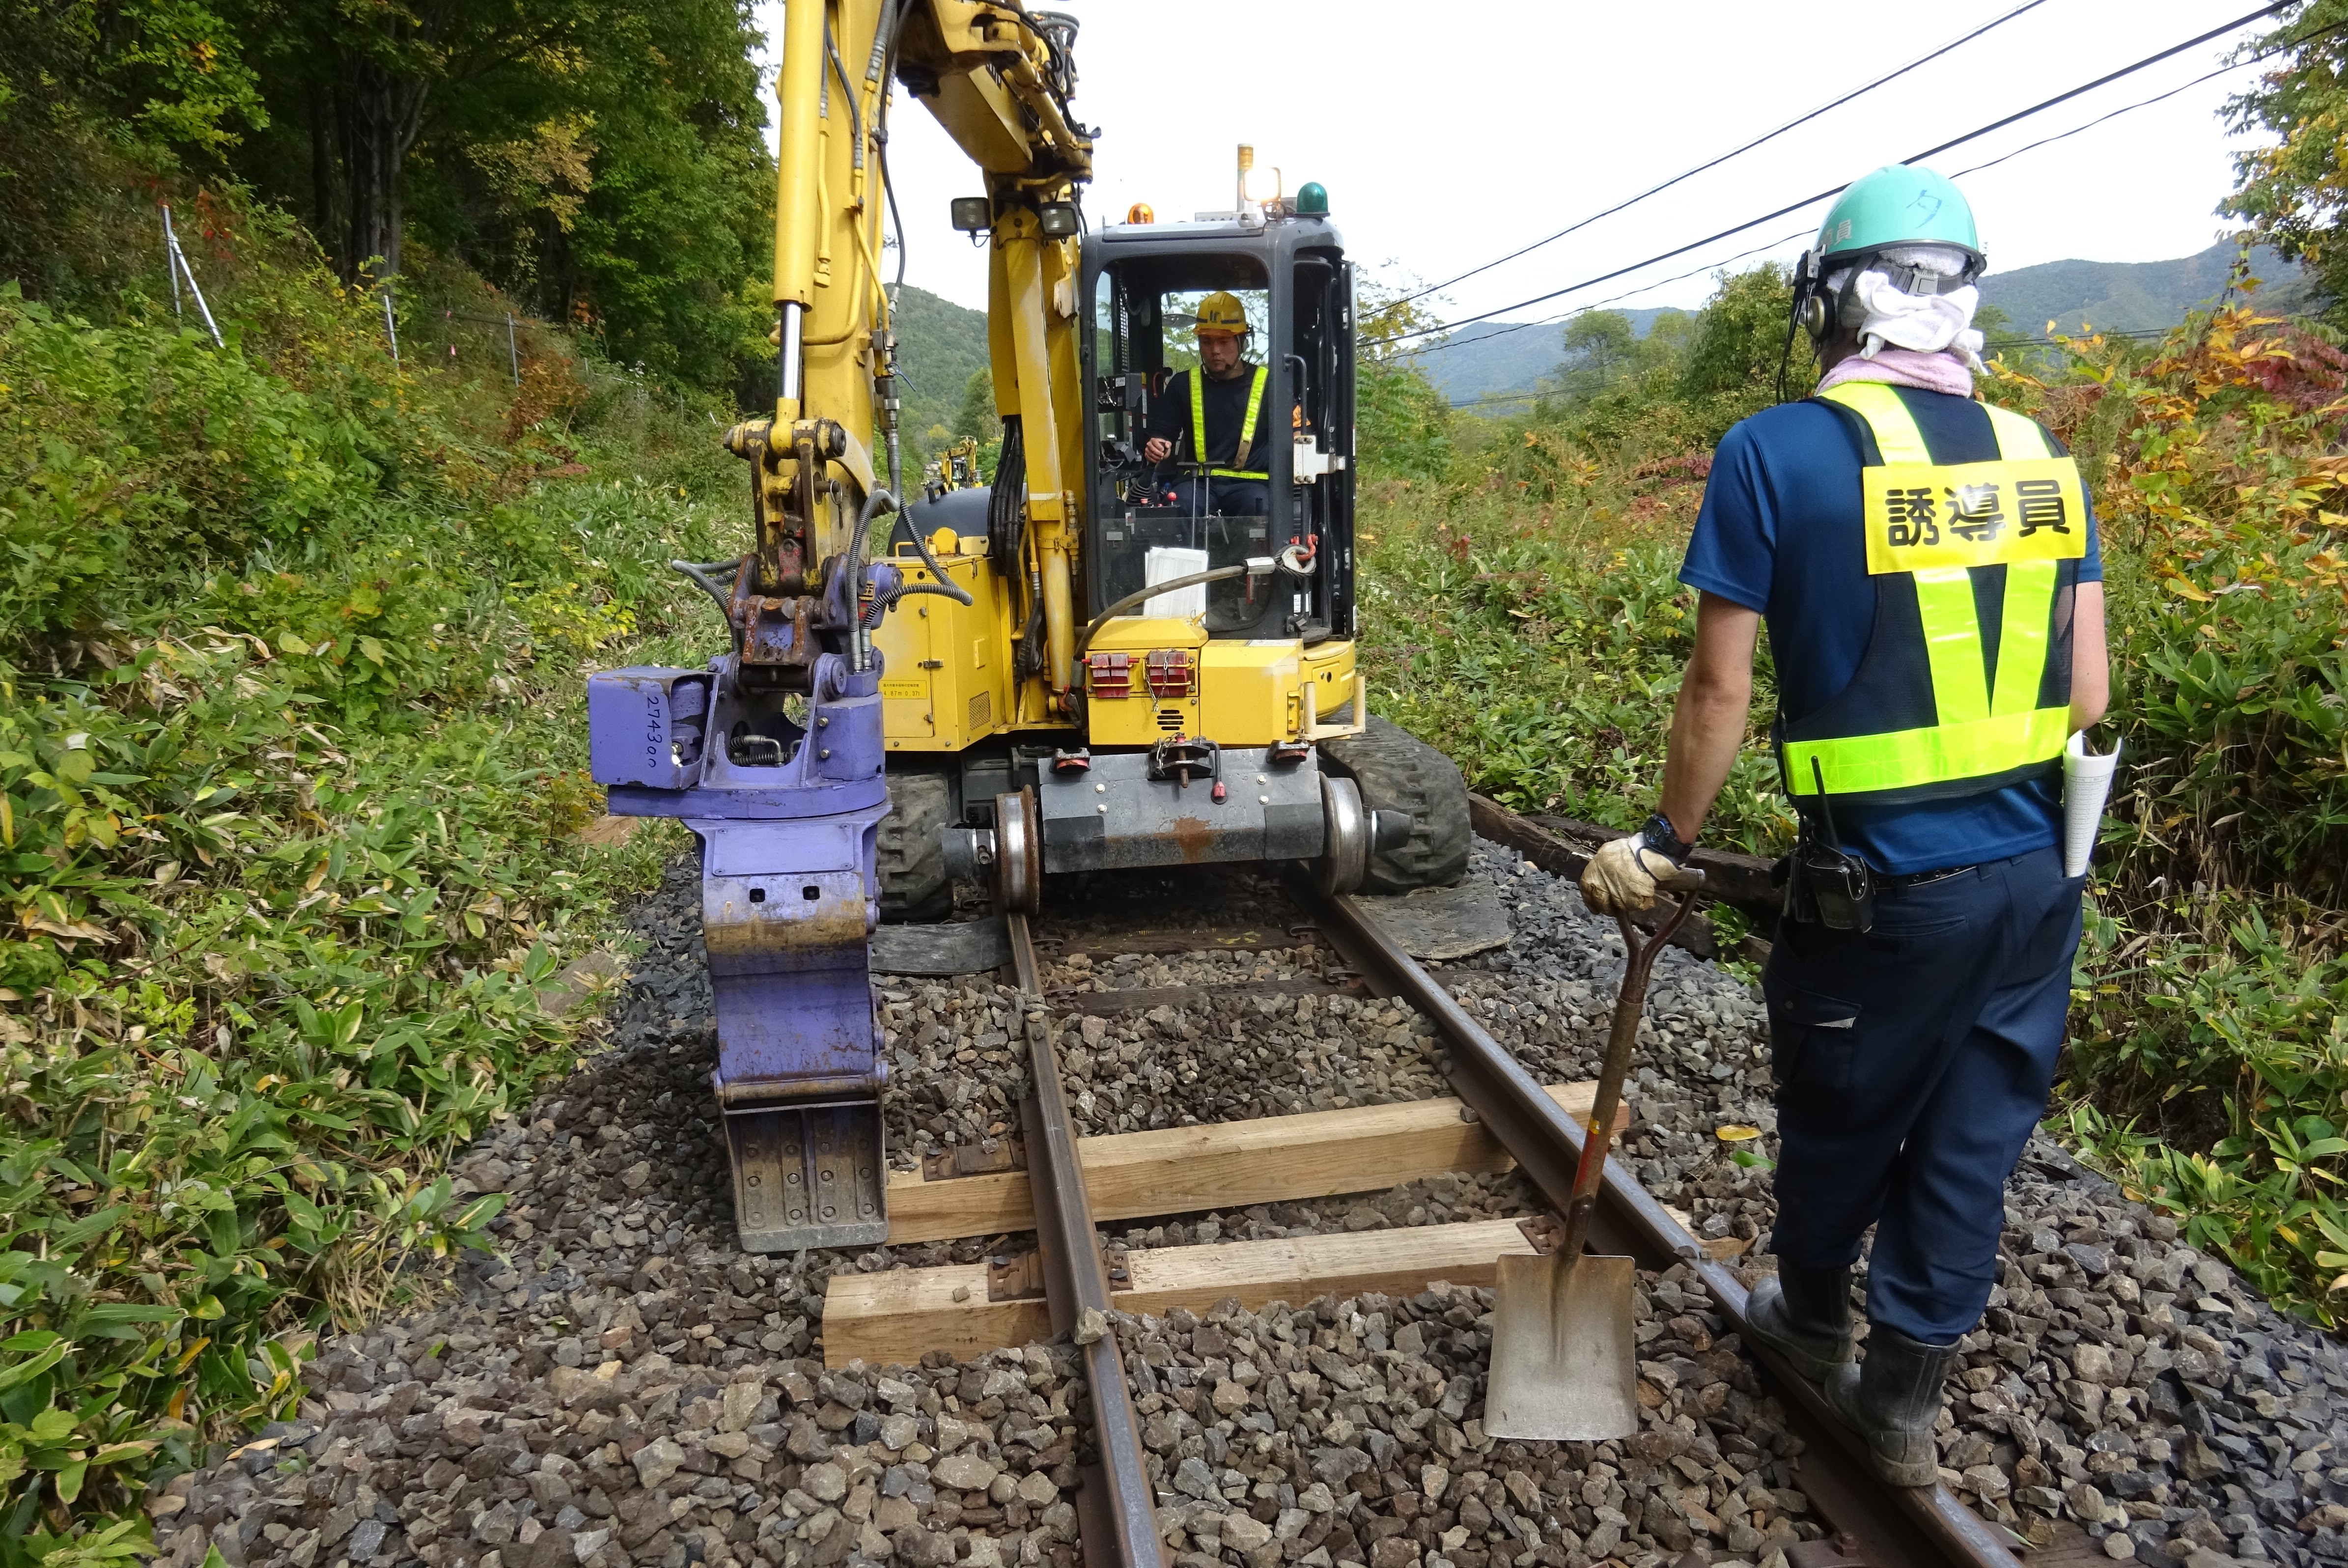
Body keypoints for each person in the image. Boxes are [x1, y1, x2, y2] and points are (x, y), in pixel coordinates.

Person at [1578, 164, 2110, 1487]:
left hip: (1880, 891)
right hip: (2037, 880)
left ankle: (1810, 1323)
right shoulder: (2044, 461)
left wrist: (1662, 841)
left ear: (1831, 303)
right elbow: (2088, 693)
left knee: (1840, 1114)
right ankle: (1901, 1396)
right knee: (1972, 1135)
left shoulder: (1774, 453)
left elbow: (1718, 688)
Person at [1141, 290, 1271, 513]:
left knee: (1260, 507)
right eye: (1207, 341)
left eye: (1224, 341)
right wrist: (1159, 445)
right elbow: (1164, 432)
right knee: (1181, 505)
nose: (1215, 351)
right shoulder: (1183, 385)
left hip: (1253, 485)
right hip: (1198, 484)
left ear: (1242, 341)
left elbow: (1298, 431)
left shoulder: (1271, 386)